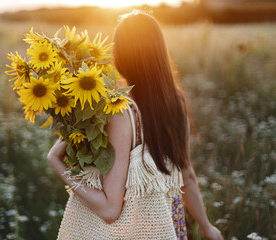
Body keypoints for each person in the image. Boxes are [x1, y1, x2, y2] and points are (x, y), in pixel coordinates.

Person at [47, 10, 223, 240]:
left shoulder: (122, 112)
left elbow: (110, 210)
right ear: (160, 51)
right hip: (171, 226)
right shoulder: (176, 101)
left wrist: (57, 163)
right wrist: (207, 227)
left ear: (121, 55)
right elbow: (186, 174)